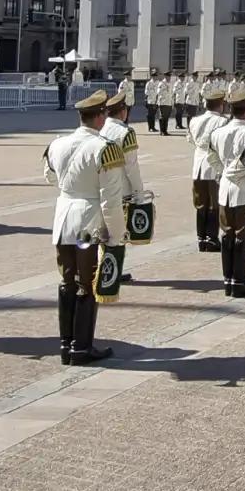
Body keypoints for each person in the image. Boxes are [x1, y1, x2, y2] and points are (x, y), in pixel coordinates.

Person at [44, 89, 127, 365]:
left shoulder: (58, 143)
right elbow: (110, 199)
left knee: (67, 280)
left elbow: (48, 175)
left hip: (63, 215)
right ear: (101, 117)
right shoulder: (105, 148)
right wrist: (116, 235)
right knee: (87, 283)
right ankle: (82, 346)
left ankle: (66, 343)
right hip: (88, 220)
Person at [212, 88, 245, 298]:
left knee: (227, 235)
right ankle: (239, 281)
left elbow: (211, 158)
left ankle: (228, 280)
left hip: (225, 190)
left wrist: (223, 173)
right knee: (243, 235)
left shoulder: (217, 132)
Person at [98, 84, 147, 283]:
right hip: (120, 189)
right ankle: (112, 271)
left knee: (102, 232)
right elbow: (132, 166)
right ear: (124, 111)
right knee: (117, 233)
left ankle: (103, 267)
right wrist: (139, 192)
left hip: (99, 188)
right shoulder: (125, 132)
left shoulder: (100, 129)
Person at [186, 86, 230, 253]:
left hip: (198, 164)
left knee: (200, 203)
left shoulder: (194, 120)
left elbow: (189, 139)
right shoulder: (223, 122)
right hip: (214, 165)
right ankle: (211, 238)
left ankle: (201, 237)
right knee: (213, 204)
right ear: (220, 104)